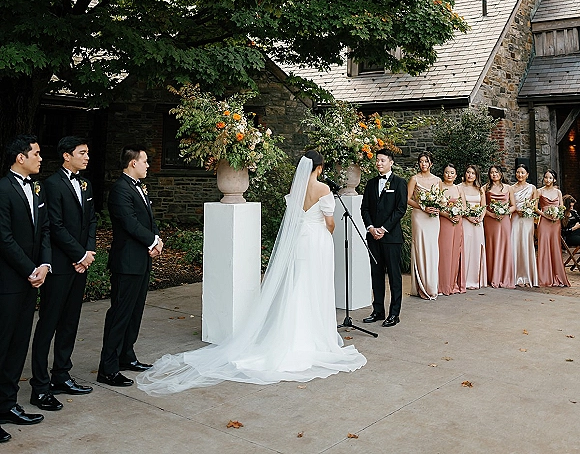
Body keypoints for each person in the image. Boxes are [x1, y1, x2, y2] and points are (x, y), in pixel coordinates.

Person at [137, 151, 366, 394]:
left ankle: (291, 333)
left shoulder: (296, 190)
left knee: (298, 284)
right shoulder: (323, 189)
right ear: (319, 168)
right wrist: (326, 230)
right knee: (316, 285)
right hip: (318, 240)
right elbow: (330, 223)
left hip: (300, 241)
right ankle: (313, 337)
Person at [30, 137, 97, 411]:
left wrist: (88, 252)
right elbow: (54, 226)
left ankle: (62, 375)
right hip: (59, 265)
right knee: (48, 324)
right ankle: (40, 384)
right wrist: (78, 254)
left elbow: (91, 219)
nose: (87, 157)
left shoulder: (86, 184)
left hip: (80, 264)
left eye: (88, 152)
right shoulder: (50, 185)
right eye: (82, 153)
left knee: (70, 322)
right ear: (66, 156)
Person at [98, 146, 163, 387]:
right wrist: (152, 241)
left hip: (142, 260)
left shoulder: (140, 188)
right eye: (145, 161)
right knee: (120, 314)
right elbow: (129, 223)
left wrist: (156, 238)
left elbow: (149, 219)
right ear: (133, 163)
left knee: (135, 313)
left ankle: (127, 356)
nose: (147, 165)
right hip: (126, 262)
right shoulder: (119, 190)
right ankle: (108, 368)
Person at [0, 135, 51, 443]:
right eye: (36, 153)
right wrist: (29, 269)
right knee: (2, 345)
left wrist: (44, 265)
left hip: (32, 279)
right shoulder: (3, 189)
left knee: (19, 344)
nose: (40, 158)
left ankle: (8, 405)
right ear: (20, 157)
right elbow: (3, 237)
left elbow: (44, 229)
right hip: (8, 281)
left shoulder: (36, 188)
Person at [360, 149, 408, 326]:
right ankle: (378, 310)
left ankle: (394, 314)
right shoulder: (371, 183)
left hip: (391, 237)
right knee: (376, 274)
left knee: (395, 276)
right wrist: (371, 228)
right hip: (373, 237)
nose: (379, 163)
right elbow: (364, 208)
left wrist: (384, 228)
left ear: (391, 162)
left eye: (382, 160)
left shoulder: (399, 183)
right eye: (377, 160)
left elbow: (400, 209)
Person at [408, 151, 442, 300]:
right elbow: (407, 199)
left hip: (433, 218)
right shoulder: (414, 179)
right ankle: (421, 286)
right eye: (421, 161)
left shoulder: (437, 180)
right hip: (419, 216)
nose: (423, 164)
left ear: (431, 164)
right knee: (420, 248)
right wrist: (422, 207)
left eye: (426, 161)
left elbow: (442, 200)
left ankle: (431, 285)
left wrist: (437, 207)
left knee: (432, 249)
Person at [536, 169, 570, 287]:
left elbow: (561, 207)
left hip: (555, 223)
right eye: (546, 177)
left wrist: (558, 215)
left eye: (550, 178)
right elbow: (535, 208)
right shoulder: (539, 191)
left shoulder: (558, 192)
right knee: (544, 247)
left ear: (554, 179)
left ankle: (557, 275)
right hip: (544, 222)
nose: (547, 180)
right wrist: (545, 215)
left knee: (555, 247)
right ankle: (544, 277)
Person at [483, 165, 515, 288]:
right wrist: (492, 215)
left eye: (496, 172)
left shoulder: (508, 188)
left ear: (501, 174)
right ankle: (493, 276)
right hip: (491, 220)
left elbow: (513, 206)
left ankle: (504, 276)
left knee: (505, 245)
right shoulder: (485, 188)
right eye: (491, 172)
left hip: (505, 220)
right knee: (492, 245)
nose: (494, 174)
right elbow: (483, 207)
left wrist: (505, 212)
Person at [438, 163, 466, 295]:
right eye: (447, 172)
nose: (449, 175)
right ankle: (442, 284)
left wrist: (458, 214)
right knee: (444, 251)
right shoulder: (439, 186)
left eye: (452, 173)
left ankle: (451, 283)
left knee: (455, 252)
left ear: (456, 175)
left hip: (457, 222)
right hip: (444, 221)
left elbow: (464, 206)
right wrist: (448, 215)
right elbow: (436, 205)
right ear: (443, 174)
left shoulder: (458, 188)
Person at [511, 163, 538, 287]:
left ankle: (527, 276)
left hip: (527, 219)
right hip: (515, 218)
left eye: (522, 172)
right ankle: (515, 276)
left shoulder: (532, 188)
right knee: (515, 244)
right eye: (518, 172)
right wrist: (516, 210)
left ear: (527, 174)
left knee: (526, 244)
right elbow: (510, 204)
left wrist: (528, 210)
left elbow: (535, 206)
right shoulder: (512, 188)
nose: (519, 175)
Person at [461, 164, 487, 290]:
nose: (470, 175)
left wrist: (480, 218)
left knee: (477, 248)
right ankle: (465, 279)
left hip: (478, 223)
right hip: (466, 221)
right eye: (468, 172)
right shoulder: (459, 187)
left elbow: (484, 207)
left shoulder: (480, 189)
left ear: (476, 175)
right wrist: (468, 217)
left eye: (472, 173)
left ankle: (476, 279)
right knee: (466, 248)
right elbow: (461, 207)